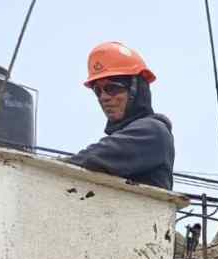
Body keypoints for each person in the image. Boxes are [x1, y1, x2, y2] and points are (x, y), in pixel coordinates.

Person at [66, 42, 174, 190]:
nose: (103, 97)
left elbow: (92, 158)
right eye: (98, 91)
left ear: (136, 90)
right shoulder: (126, 137)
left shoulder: (152, 132)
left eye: (112, 88)